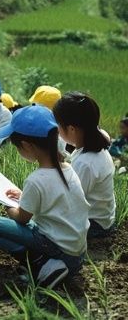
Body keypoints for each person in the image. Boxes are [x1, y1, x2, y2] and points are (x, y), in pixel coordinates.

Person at [0, 104, 90, 289]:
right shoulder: (68, 169)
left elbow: (22, 219)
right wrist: (23, 196)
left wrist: (6, 204)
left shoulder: (36, 180)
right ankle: (53, 263)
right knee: (29, 226)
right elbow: (54, 199)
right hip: (77, 251)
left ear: (26, 146)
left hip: (57, 248)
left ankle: (39, 262)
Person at [53, 92, 116, 239]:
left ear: (72, 129)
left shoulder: (86, 163)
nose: (57, 130)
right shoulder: (94, 142)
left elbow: (68, 203)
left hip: (95, 226)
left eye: (59, 126)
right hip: (102, 219)